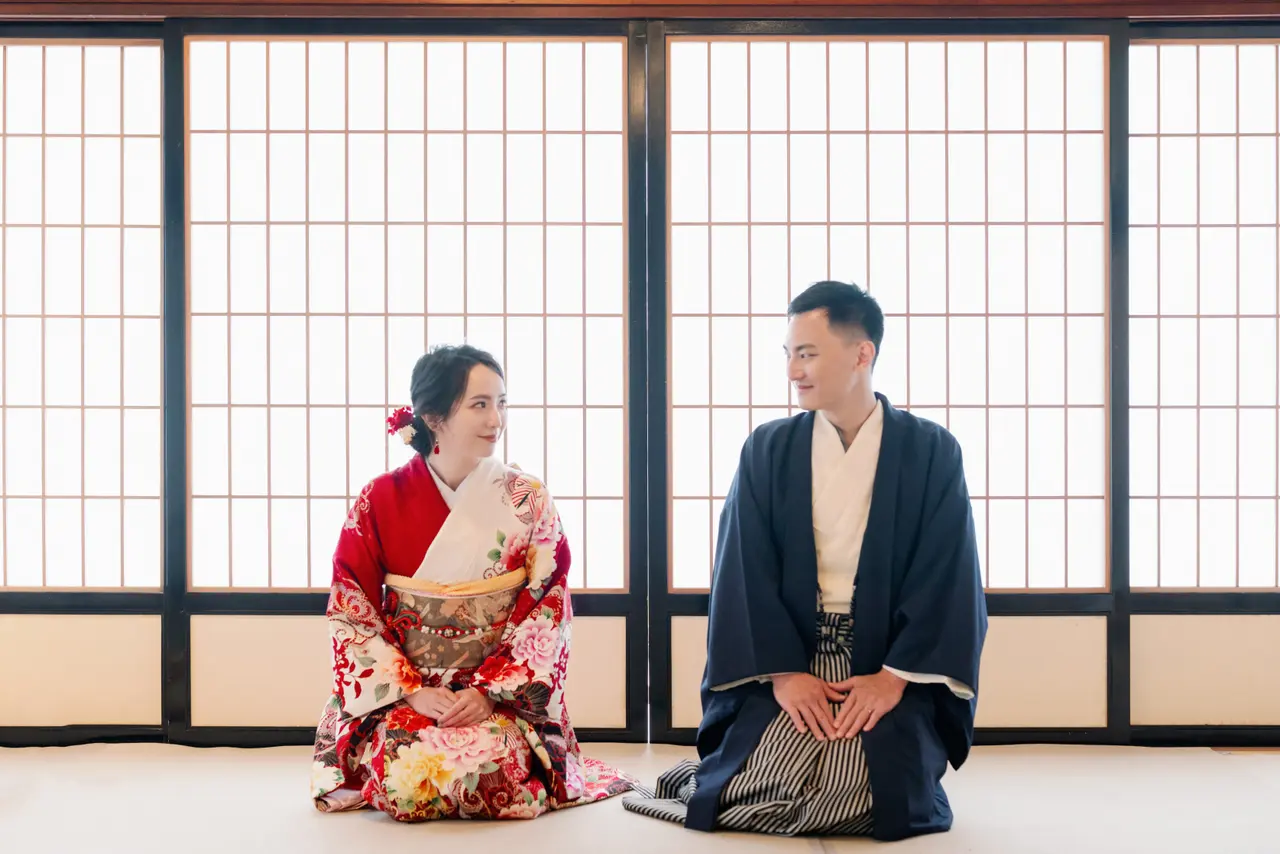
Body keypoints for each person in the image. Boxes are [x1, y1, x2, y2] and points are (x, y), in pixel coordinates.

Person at [623, 281, 988, 841]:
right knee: (760, 782)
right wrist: (787, 675)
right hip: (790, 654)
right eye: (789, 354)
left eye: (808, 354)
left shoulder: (932, 451)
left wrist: (892, 680)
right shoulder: (768, 449)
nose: (794, 370)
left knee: (873, 790)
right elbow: (742, 571)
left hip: (885, 663)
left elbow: (948, 576)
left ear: (862, 353)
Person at [311, 344, 634, 821]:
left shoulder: (527, 498)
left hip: (498, 695)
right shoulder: (378, 499)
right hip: (412, 691)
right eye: (479, 404)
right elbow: (351, 605)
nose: (495, 419)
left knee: (488, 766)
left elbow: (548, 605)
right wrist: (411, 691)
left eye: (501, 403)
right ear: (433, 417)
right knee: (407, 770)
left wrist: (487, 692)